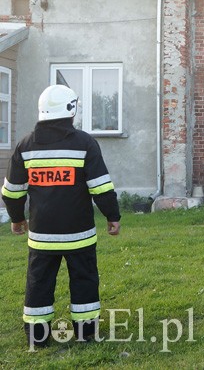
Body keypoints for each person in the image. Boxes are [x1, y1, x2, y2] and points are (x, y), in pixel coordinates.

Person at [1, 85, 121, 347]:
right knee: (85, 279)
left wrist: (16, 219)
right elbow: (100, 187)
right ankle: (85, 333)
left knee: (39, 282)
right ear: (71, 109)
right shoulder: (85, 143)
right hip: (80, 235)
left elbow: (11, 192)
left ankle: (37, 337)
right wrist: (112, 216)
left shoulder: (25, 145)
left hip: (42, 237)